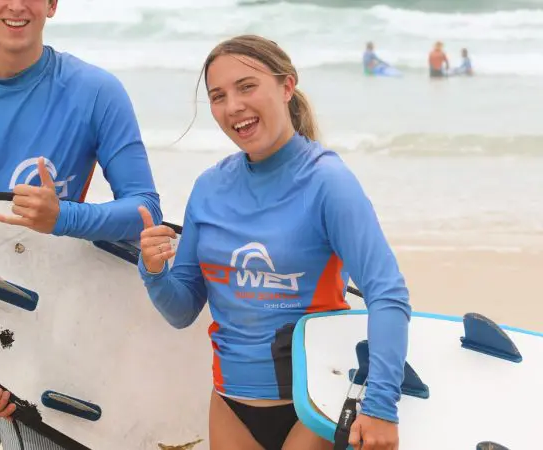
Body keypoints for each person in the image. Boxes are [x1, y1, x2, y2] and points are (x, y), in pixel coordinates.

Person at [0, 0, 162, 448]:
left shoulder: (95, 91)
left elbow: (145, 211)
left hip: (58, 316)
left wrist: (64, 217)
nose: (17, 5)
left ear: (53, 4)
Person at [136, 35, 411, 450]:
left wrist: (380, 405)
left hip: (314, 403)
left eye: (247, 86)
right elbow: (182, 309)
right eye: (218, 96)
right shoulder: (209, 188)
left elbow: (388, 294)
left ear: (286, 87)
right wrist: (154, 271)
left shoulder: (327, 183)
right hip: (230, 403)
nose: (233, 106)